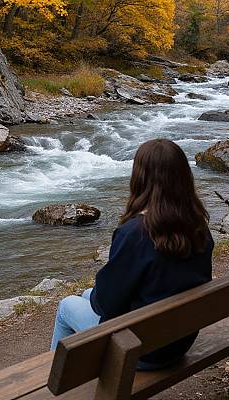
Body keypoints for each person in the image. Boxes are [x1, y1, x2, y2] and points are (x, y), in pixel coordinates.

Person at [50, 138, 214, 370]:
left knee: (67, 306)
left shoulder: (135, 233)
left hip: (141, 350)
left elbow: (107, 305)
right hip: (179, 340)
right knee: (87, 294)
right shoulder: (198, 224)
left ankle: (53, 386)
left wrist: (103, 285)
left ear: (140, 178)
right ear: (183, 176)